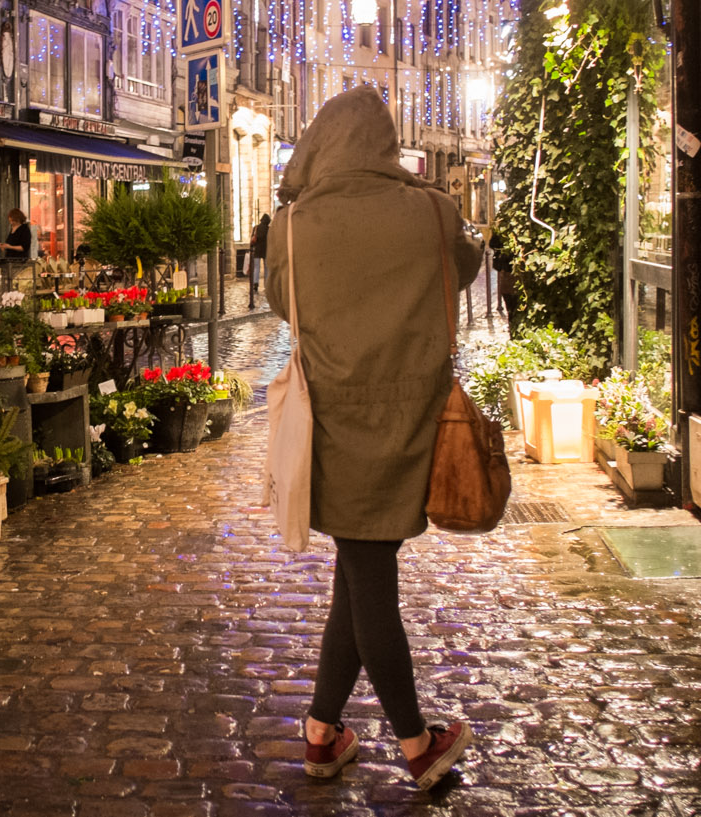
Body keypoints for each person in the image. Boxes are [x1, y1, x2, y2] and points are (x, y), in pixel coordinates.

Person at [264, 85, 483, 789]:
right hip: (409, 417)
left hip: (331, 421)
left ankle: (324, 732)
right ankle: (416, 742)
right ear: (387, 143)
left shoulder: (292, 227)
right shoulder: (432, 210)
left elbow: (277, 300)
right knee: (367, 581)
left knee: (359, 576)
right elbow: (466, 266)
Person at [488, 228, 516, 322]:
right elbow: (493, 244)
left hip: (508, 272)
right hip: (508, 271)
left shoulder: (503, 228)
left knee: (512, 307)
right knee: (512, 306)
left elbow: (492, 244)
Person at [247, 214, 271, 307]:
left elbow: (252, 239)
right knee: (266, 269)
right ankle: (266, 284)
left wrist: (251, 248)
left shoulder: (256, 227)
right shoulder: (269, 229)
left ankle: (255, 284)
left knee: (256, 268)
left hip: (257, 251)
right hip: (266, 251)